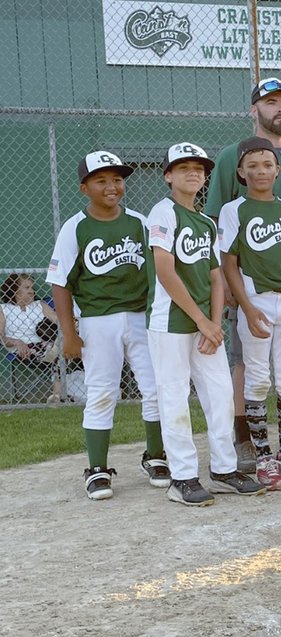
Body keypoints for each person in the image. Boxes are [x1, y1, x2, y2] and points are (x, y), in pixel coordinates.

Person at [205, 78, 281, 473]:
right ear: (254, 109)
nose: (280, 108)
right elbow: (225, 248)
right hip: (252, 292)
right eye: (271, 101)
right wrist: (230, 289)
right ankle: (253, 446)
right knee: (252, 374)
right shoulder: (231, 173)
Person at [147, 142, 264, 506]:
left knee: (220, 395)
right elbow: (165, 270)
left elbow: (216, 276)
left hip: (204, 325)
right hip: (171, 322)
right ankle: (181, 477)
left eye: (198, 168)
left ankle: (223, 470)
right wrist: (201, 320)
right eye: (183, 168)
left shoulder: (202, 221)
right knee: (174, 397)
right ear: (168, 176)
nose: (193, 173)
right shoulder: (163, 212)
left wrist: (214, 323)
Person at [45, 152, 164, 500]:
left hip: (142, 317)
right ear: (85, 188)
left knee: (154, 387)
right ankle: (97, 468)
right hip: (98, 320)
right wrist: (69, 332)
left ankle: (156, 456)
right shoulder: (76, 227)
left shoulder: (140, 222)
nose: (112, 186)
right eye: (101, 180)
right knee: (102, 392)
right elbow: (60, 283)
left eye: (117, 179)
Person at [0, 274, 61, 401]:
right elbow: (1, 337)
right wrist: (17, 342)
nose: (32, 291)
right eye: (27, 288)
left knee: (60, 348)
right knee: (59, 353)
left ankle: (58, 395)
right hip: (23, 350)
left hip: (46, 343)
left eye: (32, 288)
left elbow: (57, 319)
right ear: (15, 290)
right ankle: (57, 395)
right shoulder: (4, 309)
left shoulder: (40, 305)